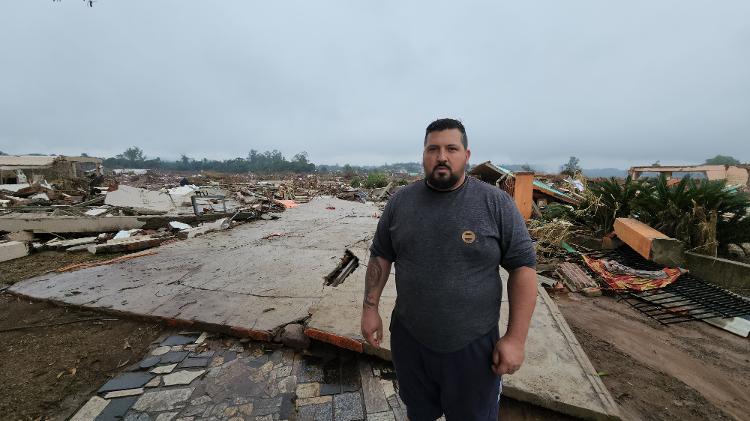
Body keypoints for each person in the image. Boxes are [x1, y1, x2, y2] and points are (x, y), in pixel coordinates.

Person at [361, 118, 537, 421]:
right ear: (424, 155)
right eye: (433, 149)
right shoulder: (400, 203)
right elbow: (380, 257)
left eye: (451, 148)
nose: (442, 156)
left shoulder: (495, 204)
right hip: (410, 340)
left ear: (466, 156)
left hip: (472, 347)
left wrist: (515, 339)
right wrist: (369, 308)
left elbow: (523, 268)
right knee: (419, 413)